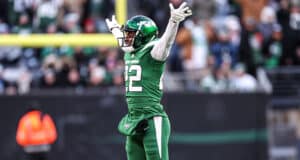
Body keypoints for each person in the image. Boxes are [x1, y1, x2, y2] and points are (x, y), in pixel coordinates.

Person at [105, 2, 192, 160]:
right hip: (134, 120)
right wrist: (115, 29)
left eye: (131, 34)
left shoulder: (153, 51)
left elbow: (167, 42)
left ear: (143, 35)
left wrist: (173, 22)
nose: (127, 37)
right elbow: (122, 43)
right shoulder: (130, 49)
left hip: (152, 119)